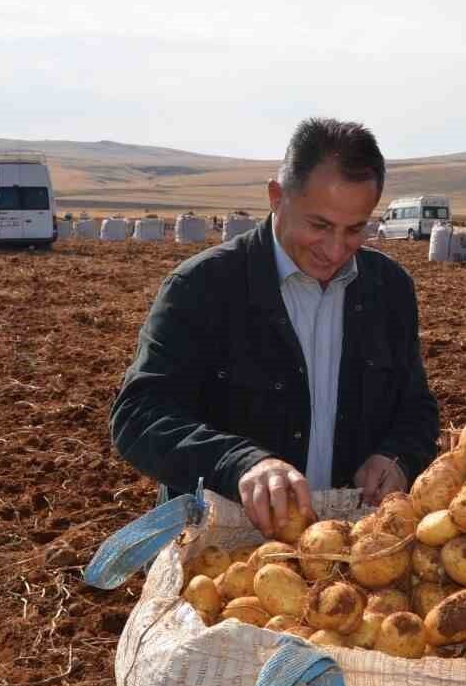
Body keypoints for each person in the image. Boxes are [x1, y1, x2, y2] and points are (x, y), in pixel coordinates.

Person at [111, 118, 440, 535]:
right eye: (319, 225)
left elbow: (415, 408)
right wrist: (241, 463)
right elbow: (139, 416)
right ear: (276, 196)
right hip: (224, 549)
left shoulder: (388, 290)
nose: (336, 249)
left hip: (347, 547)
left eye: (355, 228)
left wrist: (397, 456)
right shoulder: (203, 287)